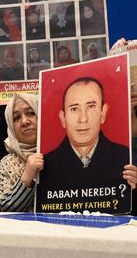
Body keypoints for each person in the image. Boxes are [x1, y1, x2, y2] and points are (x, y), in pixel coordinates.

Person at [38, 77, 137, 212]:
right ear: (63, 118)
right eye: (74, 109)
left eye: (91, 107)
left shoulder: (127, 158)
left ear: (103, 112)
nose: (83, 118)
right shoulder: (45, 165)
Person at [0, 93, 43, 212]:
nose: (24, 122)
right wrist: (27, 176)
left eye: (31, 113)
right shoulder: (8, 163)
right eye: (16, 118)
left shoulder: (62, 154)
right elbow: (6, 211)